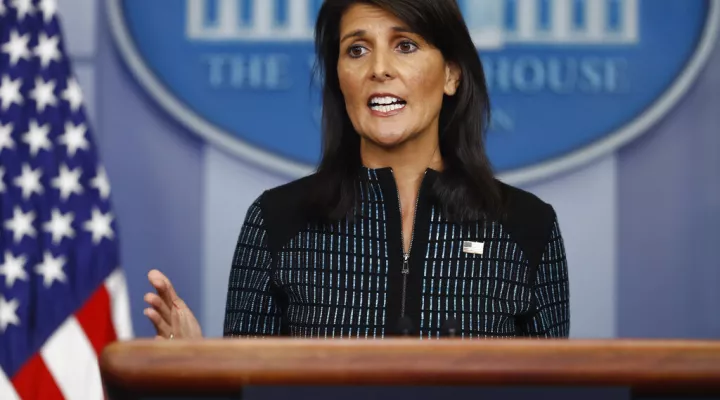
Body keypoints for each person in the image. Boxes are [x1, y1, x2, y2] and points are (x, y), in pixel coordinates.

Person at [142, 0, 570, 340]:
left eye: (405, 45)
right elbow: (245, 391)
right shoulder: (276, 221)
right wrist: (196, 370)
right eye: (357, 50)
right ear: (339, 77)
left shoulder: (527, 225)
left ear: (452, 75)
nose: (378, 69)